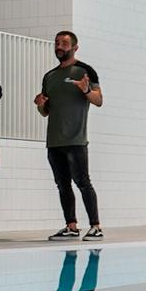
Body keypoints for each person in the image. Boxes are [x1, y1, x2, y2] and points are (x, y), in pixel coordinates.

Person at [36, 30, 105, 241]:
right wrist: (41, 104)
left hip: (76, 139)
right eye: (57, 43)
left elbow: (99, 100)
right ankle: (71, 226)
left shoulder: (85, 71)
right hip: (54, 140)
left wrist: (85, 90)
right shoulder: (49, 76)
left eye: (64, 43)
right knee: (63, 184)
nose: (59, 46)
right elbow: (46, 112)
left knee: (83, 182)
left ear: (75, 47)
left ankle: (96, 226)